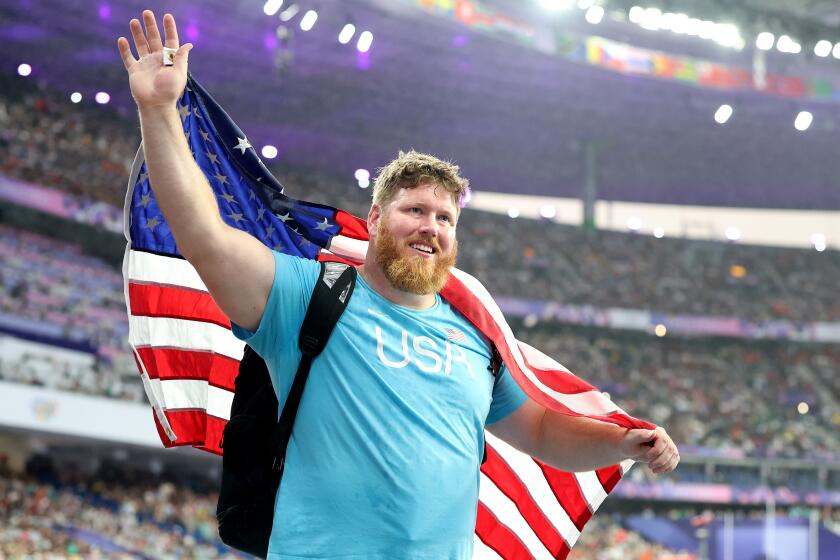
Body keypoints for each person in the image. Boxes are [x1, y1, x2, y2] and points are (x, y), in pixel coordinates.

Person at [118, 11, 680, 559]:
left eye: (445, 218)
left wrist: (617, 441)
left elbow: (540, 431)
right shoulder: (307, 298)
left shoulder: (477, 338)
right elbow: (205, 237)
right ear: (378, 218)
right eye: (415, 209)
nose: (430, 227)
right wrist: (160, 110)